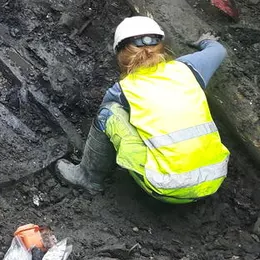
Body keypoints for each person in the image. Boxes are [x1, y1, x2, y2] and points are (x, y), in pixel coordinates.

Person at [56, 16, 230, 203]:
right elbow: (218, 50)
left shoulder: (122, 90)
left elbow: (104, 126)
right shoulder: (189, 68)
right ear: (161, 47)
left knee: (107, 115)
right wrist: (205, 41)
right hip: (213, 178)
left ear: (121, 55)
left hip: (169, 188)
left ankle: (87, 178)